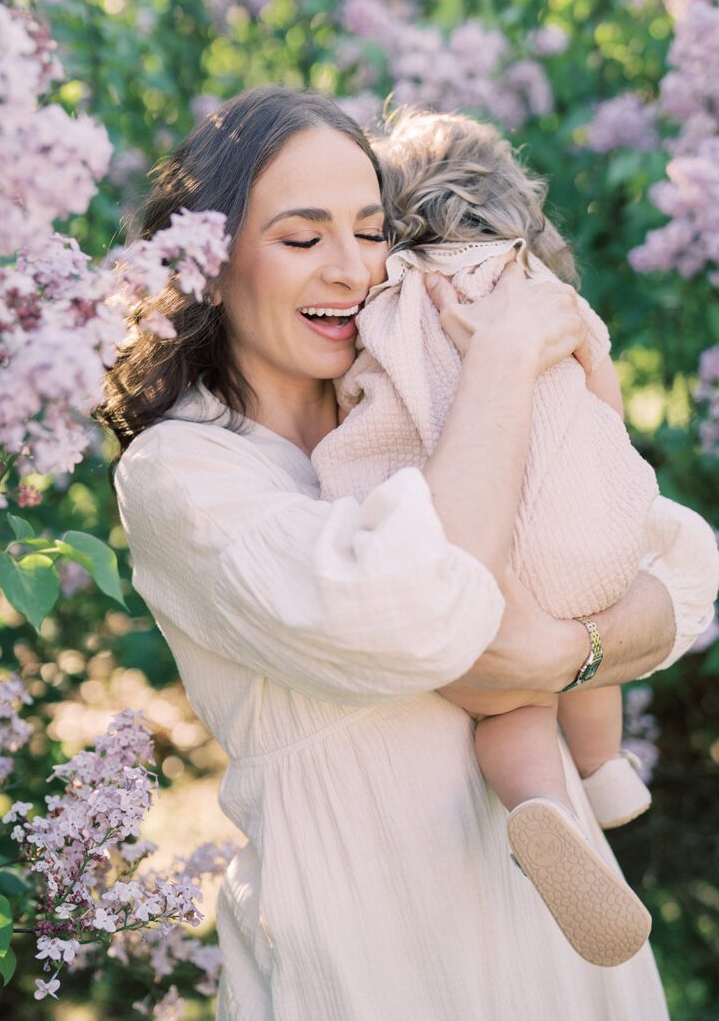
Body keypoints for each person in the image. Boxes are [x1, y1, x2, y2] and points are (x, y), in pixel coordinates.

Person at [97, 86, 718, 1021]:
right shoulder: (186, 473)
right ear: (212, 268)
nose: (350, 270)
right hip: (376, 944)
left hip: (555, 927)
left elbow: (677, 560)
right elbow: (428, 605)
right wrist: (506, 362)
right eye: (302, 240)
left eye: (373, 231)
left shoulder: (423, 402)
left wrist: (570, 652)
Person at [311, 107, 706, 967]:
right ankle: (602, 774)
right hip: (578, 533)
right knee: (581, 625)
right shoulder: (539, 288)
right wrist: (609, 478)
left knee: (512, 701)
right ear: (518, 208)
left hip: (468, 538)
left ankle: (542, 806)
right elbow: (598, 383)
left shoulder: (386, 295)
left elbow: (359, 402)